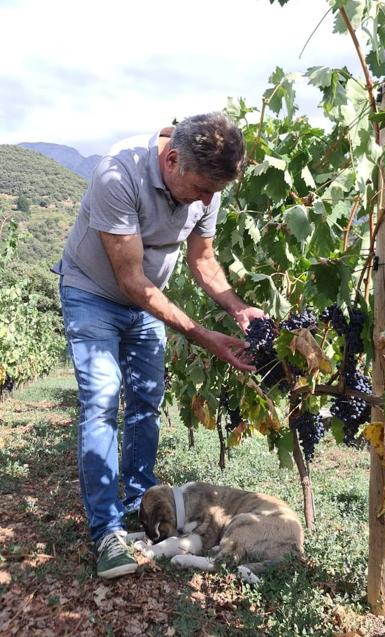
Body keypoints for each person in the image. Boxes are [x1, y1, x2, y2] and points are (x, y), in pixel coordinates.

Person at [53, 112, 264, 579]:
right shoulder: (118, 174)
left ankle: (140, 499)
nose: (209, 201)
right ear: (172, 161)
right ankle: (106, 531)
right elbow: (131, 280)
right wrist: (201, 335)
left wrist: (236, 308)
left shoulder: (206, 184)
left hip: (144, 301)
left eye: (215, 192)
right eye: (203, 189)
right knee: (103, 400)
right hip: (93, 293)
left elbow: (203, 258)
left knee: (147, 399)